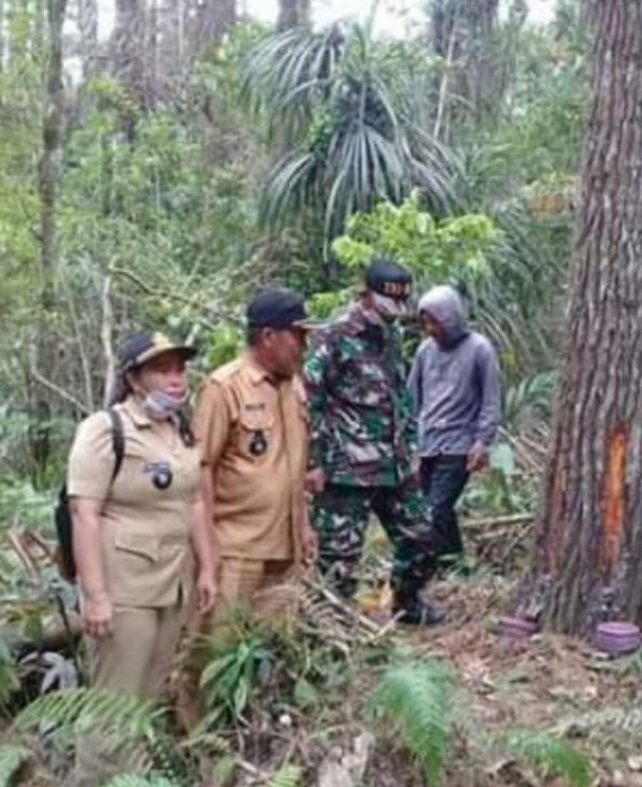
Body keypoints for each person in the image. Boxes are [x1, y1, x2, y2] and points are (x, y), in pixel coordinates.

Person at [67, 331, 216, 787]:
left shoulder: (180, 428)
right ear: (133, 377)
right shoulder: (106, 429)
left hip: (172, 582)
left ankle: (134, 778)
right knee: (115, 701)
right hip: (123, 585)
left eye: (180, 369)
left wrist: (207, 565)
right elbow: (84, 512)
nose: (176, 380)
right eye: (162, 370)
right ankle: (96, 779)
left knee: (148, 698)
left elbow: (193, 504)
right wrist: (95, 596)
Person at [304, 259, 444, 625]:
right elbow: (309, 398)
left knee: (422, 533)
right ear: (366, 296)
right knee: (338, 557)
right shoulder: (335, 335)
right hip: (345, 468)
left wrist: (411, 445)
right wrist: (313, 461)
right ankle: (333, 626)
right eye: (387, 303)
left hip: (393, 463)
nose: (395, 312)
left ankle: (406, 601)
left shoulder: (391, 333)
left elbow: (399, 394)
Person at [193, 289, 316, 617]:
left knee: (270, 655)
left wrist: (303, 526)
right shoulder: (224, 388)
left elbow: (294, 467)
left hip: (286, 550)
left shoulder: (294, 388)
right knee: (212, 656)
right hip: (236, 552)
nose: (304, 347)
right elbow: (199, 472)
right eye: (298, 336)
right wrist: (208, 554)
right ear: (268, 336)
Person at [409, 285, 502, 570]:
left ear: (450, 317)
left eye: (434, 321)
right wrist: (411, 442)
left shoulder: (480, 349)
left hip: (459, 444)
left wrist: (481, 442)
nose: (429, 328)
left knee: (436, 508)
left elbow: (491, 399)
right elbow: (413, 397)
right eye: (424, 322)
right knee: (434, 510)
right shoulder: (425, 351)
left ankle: (437, 565)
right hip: (428, 443)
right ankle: (454, 564)